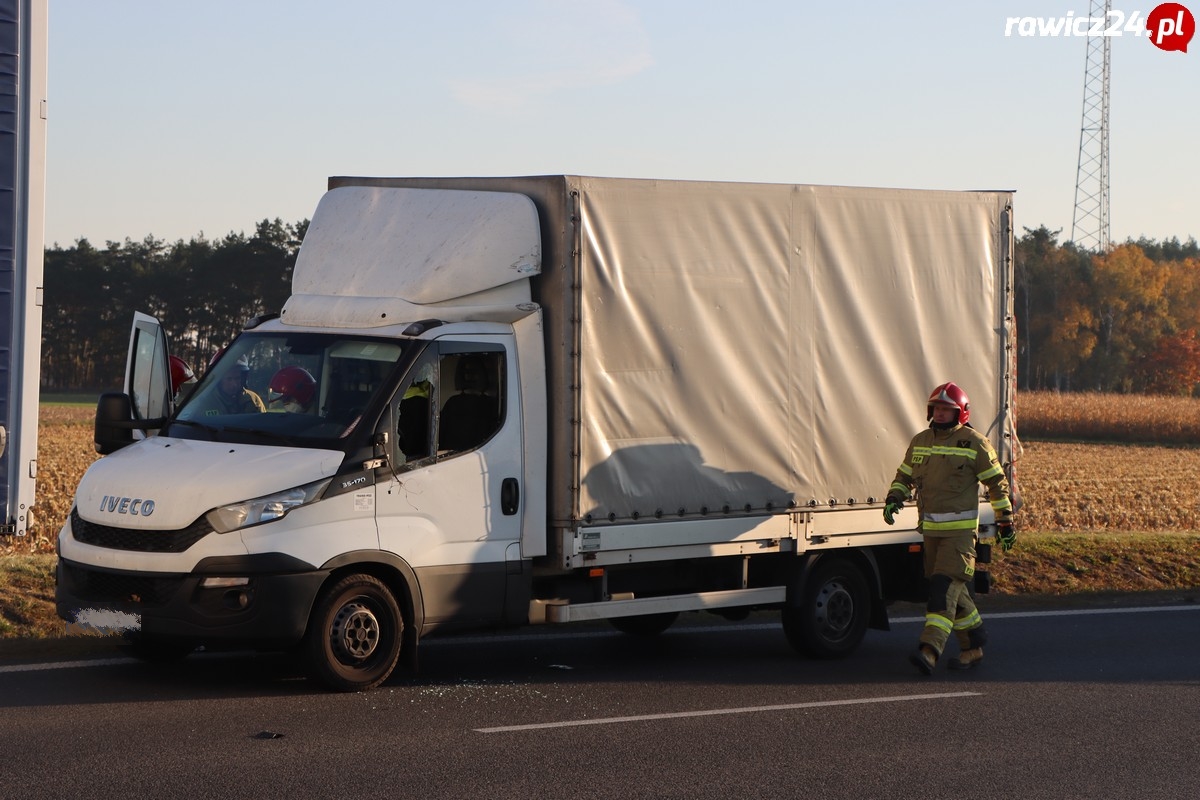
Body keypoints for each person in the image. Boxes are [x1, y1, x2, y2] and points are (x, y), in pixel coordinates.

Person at [883, 381, 1015, 674]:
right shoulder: (920, 441)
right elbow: (904, 476)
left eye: (947, 409)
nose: (940, 414)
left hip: (959, 536)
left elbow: (996, 483)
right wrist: (894, 497)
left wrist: (1005, 521)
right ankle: (974, 645)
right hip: (930, 534)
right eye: (937, 409)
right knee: (954, 593)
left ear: (961, 413)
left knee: (942, 591)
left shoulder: (974, 443)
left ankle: (930, 650)